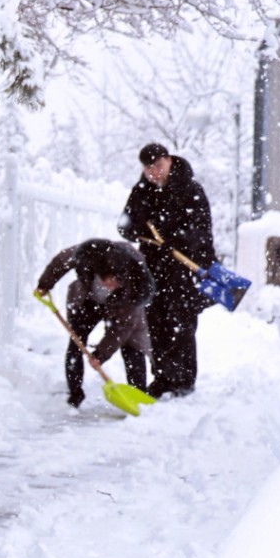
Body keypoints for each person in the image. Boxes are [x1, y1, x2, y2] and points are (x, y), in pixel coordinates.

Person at [118, 143, 214, 397]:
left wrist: (179, 239)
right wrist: (131, 229)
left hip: (184, 267)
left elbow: (203, 231)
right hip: (152, 267)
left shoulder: (190, 190)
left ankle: (183, 380)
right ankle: (162, 377)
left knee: (180, 322)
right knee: (155, 322)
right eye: (149, 169)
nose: (154, 173)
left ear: (169, 160)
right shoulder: (141, 192)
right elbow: (125, 221)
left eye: (159, 166)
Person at [35, 239, 153, 406]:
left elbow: (122, 329)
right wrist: (45, 284)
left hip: (121, 306)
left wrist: (100, 354)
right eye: (110, 280)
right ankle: (75, 394)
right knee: (76, 341)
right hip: (87, 300)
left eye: (118, 282)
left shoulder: (134, 286)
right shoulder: (91, 255)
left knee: (133, 345)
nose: (112, 285)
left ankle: (139, 396)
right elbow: (62, 260)